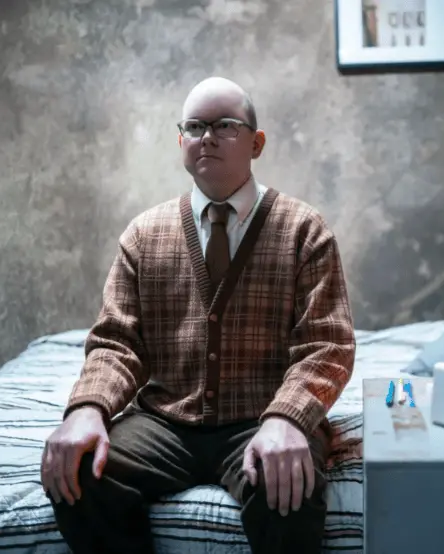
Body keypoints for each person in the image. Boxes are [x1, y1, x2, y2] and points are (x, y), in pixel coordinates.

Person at [40, 77, 356, 554]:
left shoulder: (303, 230)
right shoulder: (144, 234)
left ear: (257, 143)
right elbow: (116, 342)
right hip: (165, 423)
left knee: (288, 488)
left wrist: (290, 419)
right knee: (79, 472)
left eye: (225, 125)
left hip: (263, 417)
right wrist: (88, 408)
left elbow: (327, 344)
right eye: (194, 127)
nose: (207, 137)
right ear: (181, 142)